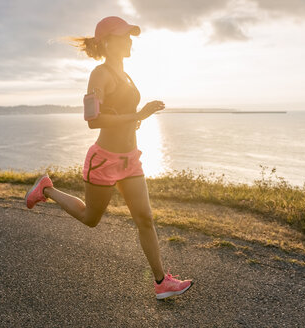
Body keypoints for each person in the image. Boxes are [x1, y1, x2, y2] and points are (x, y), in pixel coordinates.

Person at [24, 16, 193, 300]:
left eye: (130, 36)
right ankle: (46, 188)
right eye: (124, 36)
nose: (129, 41)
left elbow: (119, 113)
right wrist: (138, 115)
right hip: (104, 160)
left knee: (145, 219)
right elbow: (92, 119)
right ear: (107, 42)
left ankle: (161, 282)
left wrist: (136, 120)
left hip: (130, 159)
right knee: (91, 218)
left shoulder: (126, 74)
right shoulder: (99, 74)